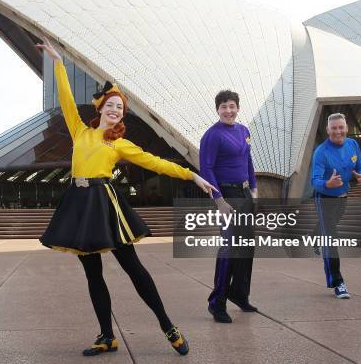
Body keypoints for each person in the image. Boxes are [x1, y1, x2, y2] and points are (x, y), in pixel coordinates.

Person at [36, 38, 218, 357]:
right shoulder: (81, 131)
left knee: (133, 267)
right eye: (111, 105)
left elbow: (156, 162)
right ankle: (107, 336)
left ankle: (168, 326)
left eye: (120, 108)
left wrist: (192, 174)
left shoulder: (120, 144)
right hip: (78, 204)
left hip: (104, 203)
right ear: (101, 109)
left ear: (121, 116)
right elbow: (65, 98)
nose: (115, 110)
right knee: (93, 273)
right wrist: (58, 63)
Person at [199, 90, 258, 323]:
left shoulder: (244, 131)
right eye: (223, 106)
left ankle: (239, 294)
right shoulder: (212, 136)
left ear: (238, 107)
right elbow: (206, 169)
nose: (228, 110)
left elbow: (248, 161)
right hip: (227, 195)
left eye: (232, 106)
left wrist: (253, 189)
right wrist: (219, 200)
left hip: (244, 193)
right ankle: (217, 302)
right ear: (217, 110)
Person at [311, 113, 361, 299]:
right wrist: (327, 184)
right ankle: (338, 282)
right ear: (328, 130)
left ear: (346, 128)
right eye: (333, 128)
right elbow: (314, 181)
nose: (338, 131)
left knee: (329, 227)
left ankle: (315, 235)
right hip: (325, 198)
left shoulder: (353, 144)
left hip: (343, 196)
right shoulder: (321, 152)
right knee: (330, 239)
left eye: (341, 127)